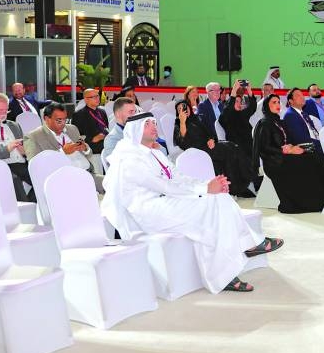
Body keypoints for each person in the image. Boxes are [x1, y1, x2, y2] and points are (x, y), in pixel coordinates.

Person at [101, 112, 284, 293]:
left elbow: (179, 177)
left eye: (154, 123)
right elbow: (164, 186)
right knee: (210, 210)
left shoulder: (154, 154)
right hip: (149, 211)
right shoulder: (130, 159)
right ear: (136, 130)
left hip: (167, 202)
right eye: (148, 124)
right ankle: (244, 249)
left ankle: (240, 256)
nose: (154, 126)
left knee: (219, 198)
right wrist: (205, 190)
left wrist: (208, 184)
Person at [252, 94, 324, 214]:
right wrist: (284, 150)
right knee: (305, 163)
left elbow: (289, 142)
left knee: (316, 157)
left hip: (286, 157)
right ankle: (308, 203)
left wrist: (295, 148)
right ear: (266, 106)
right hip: (274, 161)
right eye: (274, 102)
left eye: (278, 102)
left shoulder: (280, 122)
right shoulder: (264, 123)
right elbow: (264, 147)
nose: (278, 105)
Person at [173, 99, 254, 198]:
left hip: (208, 147)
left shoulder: (196, 120)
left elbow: (209, 134)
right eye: (180, 109)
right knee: (228, 150)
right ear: (178, 113)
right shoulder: (178, 125)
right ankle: (239, 184)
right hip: (197, 152)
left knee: (231, 146)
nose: (184, 109)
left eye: (185, 106)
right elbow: (183, 141)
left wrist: (211, 140)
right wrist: (182, 122)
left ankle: (239, 183)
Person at [24, 102, 93, 171]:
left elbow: (89, 154)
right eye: (59, 120)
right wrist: (62, 152)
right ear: (47, 119)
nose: (63, 123)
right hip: (62, 177)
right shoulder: (33, 137)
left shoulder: (72, 129)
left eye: (65, 119)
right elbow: (35, 166)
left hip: (88, 171)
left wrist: (85, 148)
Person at [220, 81, 257, 161]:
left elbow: (253, 107)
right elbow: (228, 108)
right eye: (236, 101)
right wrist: (234, 90)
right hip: (236, 150)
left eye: (240, 102)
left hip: (250, 148)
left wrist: (249, 90)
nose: (239, 104)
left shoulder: (242, 114)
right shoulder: (226, 116)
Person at [72, 88, 109, 156]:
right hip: (92, 149)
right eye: (93, 97)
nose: (97, 99)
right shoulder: (79, 115)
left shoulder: (102, 112)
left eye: (97, 96)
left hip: (106, 145)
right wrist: (93, 139)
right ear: (86, 99)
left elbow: (106, 128)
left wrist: (104, 135)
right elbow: (76, 136)